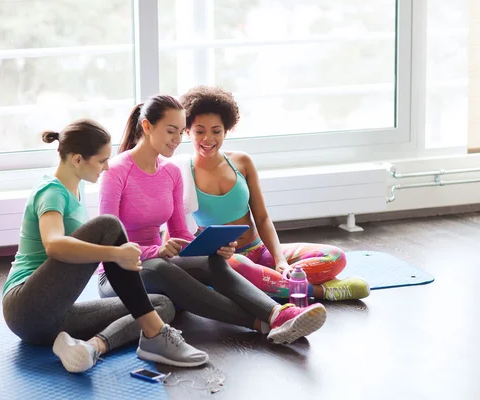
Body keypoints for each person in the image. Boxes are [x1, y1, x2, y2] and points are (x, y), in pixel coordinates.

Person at [97, 94, 327, 346]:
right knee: (162, 267)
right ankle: (262, 323)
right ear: (147, 126)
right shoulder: (116, 171)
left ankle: (278, 313)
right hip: (119, 273)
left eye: (180, 133)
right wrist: (156, 250)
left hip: (159, 262)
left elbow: (180, 233)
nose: (177, 140)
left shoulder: (171, 171)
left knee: (212, 261)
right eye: (171, 131)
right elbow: (108, 244)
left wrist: (211, 248)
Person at [2, 118, 208, 374]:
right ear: (77, 159)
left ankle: (90, 349)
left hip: (52, 318)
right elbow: (54, 245)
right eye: (101, 160)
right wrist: (115, 253)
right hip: (26, 307)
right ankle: (156, 335)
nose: (107, 166)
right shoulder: (51, 192)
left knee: (160, 305)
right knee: (109, 225)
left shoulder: (74, 191)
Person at [174, 85, 370, 301]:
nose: (208, 139)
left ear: (226, 130)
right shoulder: (181, 172)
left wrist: (279, 260)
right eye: (199, 131)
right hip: (226, 261)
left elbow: (262, 217)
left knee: (335, 256)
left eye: (216, 131)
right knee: (238, 269)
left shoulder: (242, 161)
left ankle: (270, 283)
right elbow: (180, 230)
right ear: (187, 131)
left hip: (260, 250)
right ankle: (322, 291)